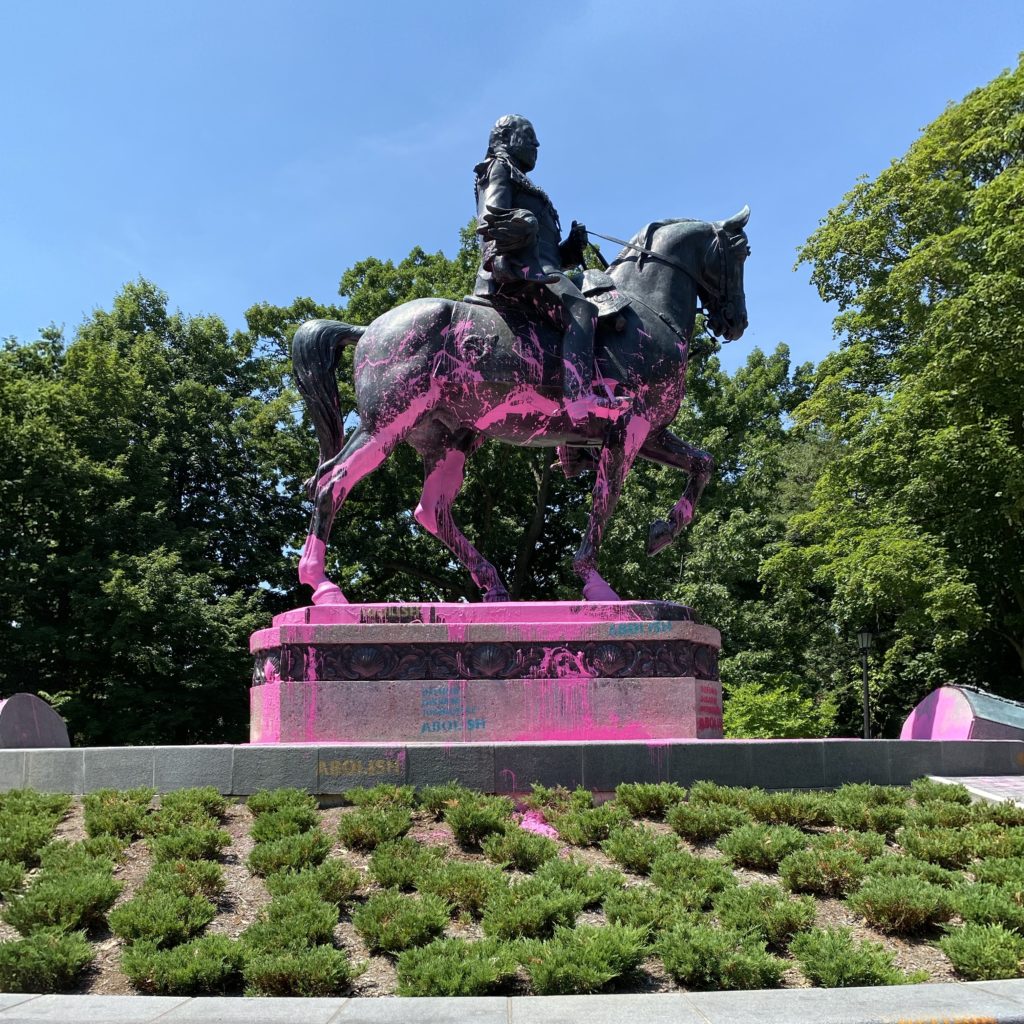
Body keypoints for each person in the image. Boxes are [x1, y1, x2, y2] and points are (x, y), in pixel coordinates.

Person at [473, 114, 628, 426]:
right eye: (528, 135)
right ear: (505, 138)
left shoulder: (522, 178)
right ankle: (579, 399)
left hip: (541, 269)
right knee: (581, 309)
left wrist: (571, 247)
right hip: (516, 270)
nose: (536, 143)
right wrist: (521, 224)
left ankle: (573, 444)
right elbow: (490, 218)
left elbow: (547, 253)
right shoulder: (498, 167)